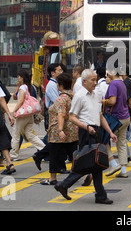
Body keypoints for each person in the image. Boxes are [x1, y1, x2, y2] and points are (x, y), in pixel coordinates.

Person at [55, 69, 117, 204]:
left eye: (96, 79)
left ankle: (65, 186)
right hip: (86, 131)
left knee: (96, 163)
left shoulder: (96, 95)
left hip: (97, 130)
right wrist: (86, 127)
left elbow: (100, 116)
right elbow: (72, 117)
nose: (95, 83)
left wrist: (110, 132)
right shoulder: (79, 96)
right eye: (93, 80)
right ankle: (99, 195)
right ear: (84, 81)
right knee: (88, 162)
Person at [41, 73, 77, 185]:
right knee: (73, 155)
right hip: (72, 130)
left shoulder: (61, 99)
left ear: (60, 85)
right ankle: (84, 175)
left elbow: (60, 114)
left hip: (59, 132)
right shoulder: (73, 96)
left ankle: (52, 178)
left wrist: (60, 130)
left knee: (54, 155)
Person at [10, 69, 45, 161]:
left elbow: (20, 100)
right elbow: (16, 97)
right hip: (29, 115)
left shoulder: (22, 88)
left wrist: (14, 111)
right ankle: (44, 149)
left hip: (23, 115)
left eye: (18, 76)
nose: (17, 78)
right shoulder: (27, 87)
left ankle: (13, 154)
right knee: (30, 135)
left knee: (16, 134)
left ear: (21, 77)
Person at [103, 69, 131, 178]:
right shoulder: (122, 83)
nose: (106, 74)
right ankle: (123, 170)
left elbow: (112, 101)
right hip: (125, 117)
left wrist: (103, 101)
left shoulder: (114, 84)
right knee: (122, 143)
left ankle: (113, 164)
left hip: (115, 118)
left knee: (103, 139)